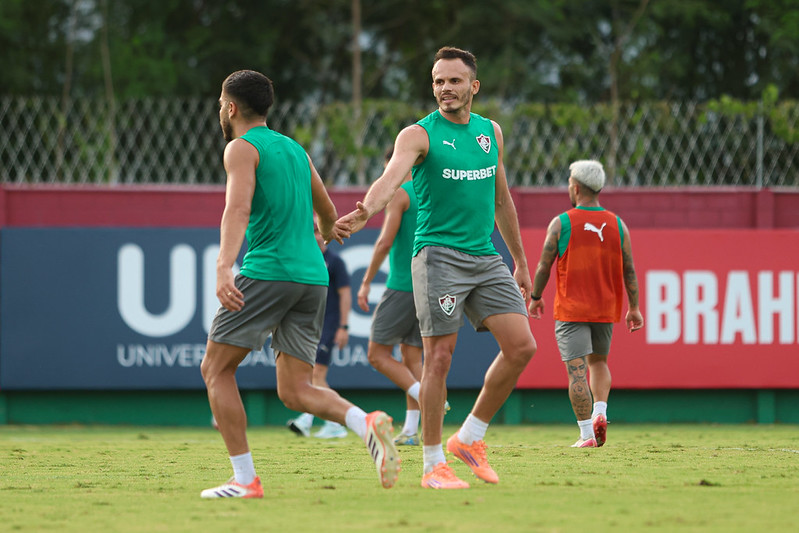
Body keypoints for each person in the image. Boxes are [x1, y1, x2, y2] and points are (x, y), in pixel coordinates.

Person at [336, 47, 537, 489]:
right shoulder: (418, 135)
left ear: (474, 87)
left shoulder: (490, 133)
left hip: (485, 256)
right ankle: (432, 465)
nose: (445, 88)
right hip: (438, 256)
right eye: (438, 81)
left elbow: (501, 199)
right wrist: (366, 210)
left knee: (522, 346)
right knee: (439, 358)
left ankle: (470, 438)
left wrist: (520, 261)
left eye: (454, 81)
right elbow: (390, 178)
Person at [199, 69, 399, 498]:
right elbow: (327, 214)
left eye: (221, 102)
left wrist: (223, 266)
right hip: (313, 277)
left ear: (231, 107)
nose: (220, 109)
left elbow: (237, 210)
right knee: (295, 390)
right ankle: (366, 423)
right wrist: (330, 232)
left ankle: (245, 480)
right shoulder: (294, 149)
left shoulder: (240, 148)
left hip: (270, 271)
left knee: (215, 369)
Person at [528, 160, 644, 448]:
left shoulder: (561, 223)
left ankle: (586, 434)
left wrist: (536, 297)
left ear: (576, 187)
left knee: (577, 370)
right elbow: (629, 269)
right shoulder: (618, 224)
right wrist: (634, 307)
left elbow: (544, 265)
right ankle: (600, 413)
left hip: (571, 310)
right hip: (605, 308)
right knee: (599, 363)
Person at [357, 147, 425, 446]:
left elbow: (385, 241)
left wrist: (366, 281)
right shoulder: (433, 191)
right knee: (411, 356)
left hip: (402, 285)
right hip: (429, 286)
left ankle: (428, 396)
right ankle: (411, 431)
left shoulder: (399, 194)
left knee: (377, 353)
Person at [287, 226, 352, 439]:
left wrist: (343, 326)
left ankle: (328, 422)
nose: (316, 237)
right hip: (308, 326)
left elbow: (345, 295)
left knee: (317, 375)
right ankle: (325, 422)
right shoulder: (304, 260)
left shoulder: (335, 262)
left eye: (319, 232)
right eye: (312, 231)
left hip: (329, 324)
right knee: (309, 375)